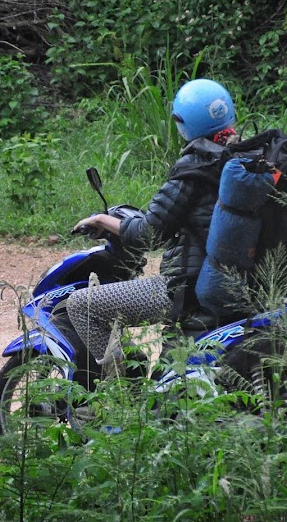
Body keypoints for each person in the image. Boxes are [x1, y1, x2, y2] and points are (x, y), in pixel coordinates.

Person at [67, 78, 239, 368]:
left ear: (183, 123)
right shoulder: (241, 159)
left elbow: (149, 235)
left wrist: (101, 219)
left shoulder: (195, 168)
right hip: (231, 283)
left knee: (82, 305)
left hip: (186, 287)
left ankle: (122, 390)